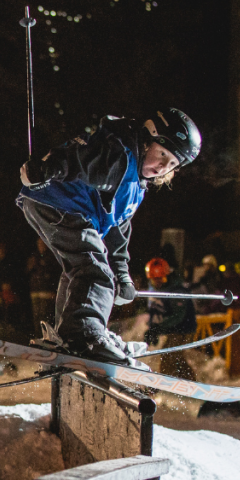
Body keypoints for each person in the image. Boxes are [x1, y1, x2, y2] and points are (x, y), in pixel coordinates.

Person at [16, 108, 200, 366]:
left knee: (81, 270)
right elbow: (80, 159)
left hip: (65, 207)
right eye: (162, 154)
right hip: (60, 201)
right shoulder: (118, 154)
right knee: (94, 272)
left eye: (171, 164)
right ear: (147, 140)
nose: (162, 167)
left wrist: (121, 273)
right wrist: (46, 169)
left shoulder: (135, 184)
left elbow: (117, 228)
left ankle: (70, 334)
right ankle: (84, 335)